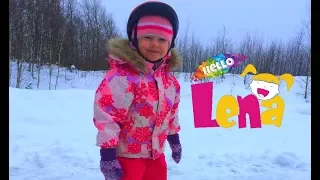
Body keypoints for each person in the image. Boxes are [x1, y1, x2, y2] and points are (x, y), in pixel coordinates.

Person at [92, 1, 182, 180]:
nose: (155, 44)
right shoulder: (122, 76)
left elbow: (171, 113)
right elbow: (108, 115)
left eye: (162, 39)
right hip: (127, 157)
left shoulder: (169, 80)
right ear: (135, 39)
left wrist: (174, 138)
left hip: (156, 155)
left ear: (170, 44)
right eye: (148, 37)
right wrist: (108, 153)